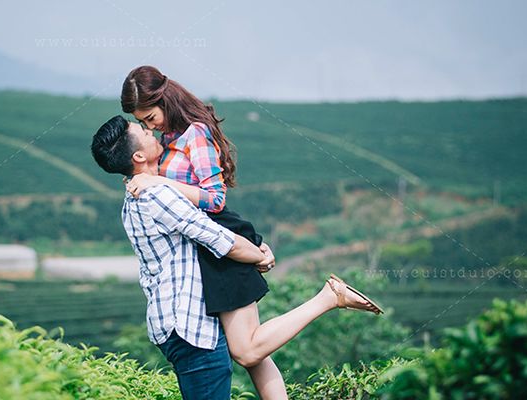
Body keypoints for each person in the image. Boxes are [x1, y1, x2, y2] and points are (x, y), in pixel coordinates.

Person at [91, 115, 383, 400]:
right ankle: (328, 298)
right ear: (139, 156)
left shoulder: (144, 192)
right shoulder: (156, 194)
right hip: (190, 325)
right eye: (143, 131)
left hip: (182, 319)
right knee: (249, 352)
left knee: (250, 352)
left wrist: (256, 247)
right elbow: (220, 239)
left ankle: (329, 298)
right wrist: (259, 256)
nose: (150, 130)